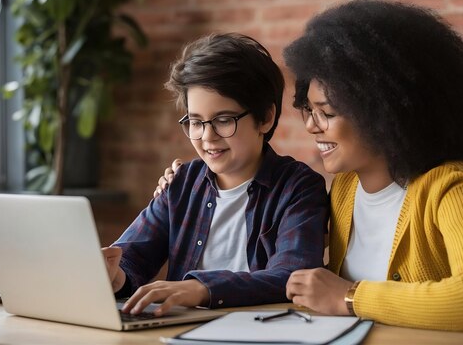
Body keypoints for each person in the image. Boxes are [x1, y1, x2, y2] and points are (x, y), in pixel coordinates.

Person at [154, 0, 463, 332]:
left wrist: (349, 296)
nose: (310, 125)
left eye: (326, 112)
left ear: (383, 111)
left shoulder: (454, 188)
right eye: (308, 110)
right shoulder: (342, 192)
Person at [103, 33, 327, 317]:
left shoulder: (298, 187)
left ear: (266, 118)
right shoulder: (181, 182)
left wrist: (203, 288)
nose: (207, 137)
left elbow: (294, 276)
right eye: (196, 122)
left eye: (223, 120)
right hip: (180, 330)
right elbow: (132, 257)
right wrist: (114, 275)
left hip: (262, 332)